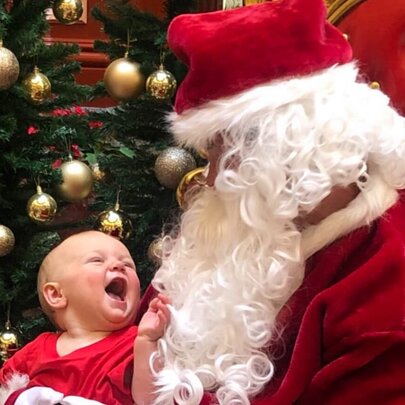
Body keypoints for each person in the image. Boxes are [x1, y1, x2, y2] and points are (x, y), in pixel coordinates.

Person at [143, 0, 405, 404]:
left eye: (219, 154)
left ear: (289, 147)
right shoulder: (240, 234)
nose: (209, 179)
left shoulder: (384, 286)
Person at [0, 231, 170, 405]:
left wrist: (148, 341)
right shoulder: (35, 351)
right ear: (56, 294)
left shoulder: (135, 342)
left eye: (128, 265)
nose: (119, 265)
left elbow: (152, 399)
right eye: (97, 260)